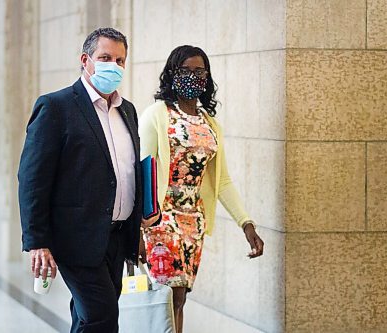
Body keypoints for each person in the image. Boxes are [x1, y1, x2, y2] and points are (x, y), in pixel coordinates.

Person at [18, 27, 159, 333]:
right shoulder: (56, 107)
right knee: (102, 318)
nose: (115, 66)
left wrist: (136, 232)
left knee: (86, 317)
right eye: (105, 57)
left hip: (118, 238)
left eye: (121, 60)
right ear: (86, 60)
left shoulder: (128, 111)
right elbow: (32, 179)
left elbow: (127, 174)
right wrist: (37, 241)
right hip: (76, 238)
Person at [138, 45, 265, 333]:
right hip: (160, 220)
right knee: (169, 296)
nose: (192, 77)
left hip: (193, 221)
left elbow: (222, 180)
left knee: (180, 300)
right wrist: (138, 229)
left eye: (199, 71)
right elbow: (141, 173)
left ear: (207, 78)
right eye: (185, 71)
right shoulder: (156, 115)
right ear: (172, 74)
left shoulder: (210, 125)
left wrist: (246, 224)